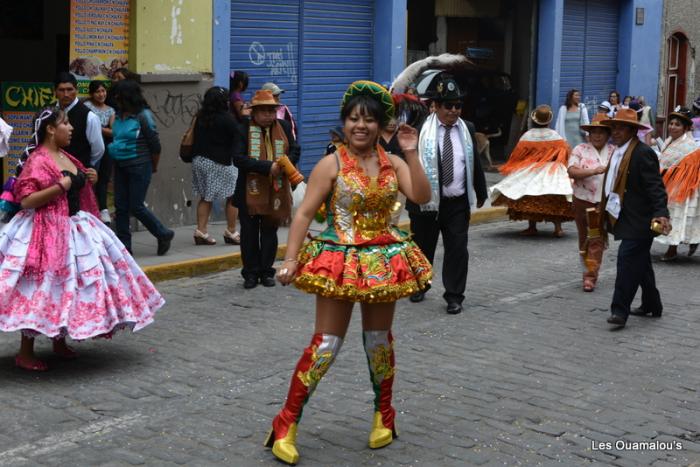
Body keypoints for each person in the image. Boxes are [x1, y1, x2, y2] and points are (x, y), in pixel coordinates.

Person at [266, 80, 432, 465]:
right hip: (339, 260)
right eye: (354, 119)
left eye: (369, 120)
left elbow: (422, 197)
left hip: (383, 260)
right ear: (345, 123)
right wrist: (290, 259)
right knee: (326, 344)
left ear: (380, 126)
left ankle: (384, 417)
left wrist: (412, 151)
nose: (361, 126)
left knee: (378, 342)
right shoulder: (332, 164)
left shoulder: (395, 163)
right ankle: (284, 424)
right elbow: (304, 213)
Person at [0, 107, 163, 371]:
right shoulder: (39, 159)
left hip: (75, 226)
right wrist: (60, 186)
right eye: (65, 123)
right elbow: (26, 199)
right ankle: (25, 351)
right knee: (38, 287)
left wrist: (89, 177)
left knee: (68, 288)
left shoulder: (65, 156)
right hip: (45, 230)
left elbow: (76, 186)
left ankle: (59, 340)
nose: (71, 127)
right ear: (51, 129)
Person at [406, 75, 487, 314]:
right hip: (426, 203)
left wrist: (481, 191)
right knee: (422, 247)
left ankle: (454, 296)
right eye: (448, 105)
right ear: (436, 106)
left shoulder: (467, 129)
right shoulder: (421, 130)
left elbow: (475, 164)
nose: (454, 110)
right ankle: (420, 285)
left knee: (457, 249)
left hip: (457, 203)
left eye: (458, 105)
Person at [601, 108, 671, 328]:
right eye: (614, 127)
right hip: (624, 216)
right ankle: (652, 304)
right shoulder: (617, 151)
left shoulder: (642, 153)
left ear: (632, 130)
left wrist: (661, 213)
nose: (616, 131)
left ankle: (619, 311)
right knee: (641, 264)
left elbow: (656, 188)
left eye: (621, 127)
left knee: (627, 262)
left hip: (641, 220)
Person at [232, 89, 300, 289]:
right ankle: (250, 273)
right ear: (254, 112)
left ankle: (266, 271)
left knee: (270, 232)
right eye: (264, 111)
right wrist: (266, 167)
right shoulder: (243, 128)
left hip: (276, 189)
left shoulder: (284, 127)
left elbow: (295, 149)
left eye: (271, 111)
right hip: (249, 190)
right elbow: (238, 158)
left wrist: (287, 165)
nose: (269, 115)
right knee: (249, 233)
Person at [109, 80, 174, 256]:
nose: (116, 100)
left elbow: (155, 145)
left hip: (139, 165)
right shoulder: (118, 115)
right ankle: (124, 247)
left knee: (136, 206)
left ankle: (163, 233)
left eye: (119, 97)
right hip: (120, 165)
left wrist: (153, 166)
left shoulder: (143, 116)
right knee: (121, 207)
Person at [490, 104, 574, 237]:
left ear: (535, 120)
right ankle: (558, 228)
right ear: (548, 121)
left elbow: (518, 156)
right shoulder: (555, 136)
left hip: (530, 169)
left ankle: (532, 227)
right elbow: (564, 154)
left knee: (529, 194)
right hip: (552, 169)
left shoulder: (527, 136)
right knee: (555, 197)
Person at [567, 113, 615, 292]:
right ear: (588, 134)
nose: (597, 135)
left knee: (596, 238)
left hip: (602, 203)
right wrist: (593, 171)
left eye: (601, 132)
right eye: (593, 132)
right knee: (584, 238)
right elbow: (572, 171)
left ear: (608, 134)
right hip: (582, 200)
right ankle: (587, 268)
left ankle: (590, 276)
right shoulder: (580, 149)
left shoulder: (613, 152)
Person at [190, 86, 241, 245]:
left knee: (206, 197)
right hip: (219, 162)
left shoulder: (200, 116)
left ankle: (201, 231)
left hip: (199, 161)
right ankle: (231, 232)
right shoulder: (227, 118)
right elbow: (238, 137)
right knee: (233, 196)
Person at [654, 108, 699, 260]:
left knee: (676, 215)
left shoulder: (689, 145)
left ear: (685, 128)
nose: (672, 127)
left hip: (683, 187)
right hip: (668, 183)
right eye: (671, 123)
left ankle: (672, 249)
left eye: (677, 125)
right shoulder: (669, 140)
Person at [54, 72, 104, 169]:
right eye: (61, 90)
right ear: (55, 92)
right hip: (51, 170)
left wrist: (86, 166)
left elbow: (98, 149)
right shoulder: (48, 112)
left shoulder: (89, 116)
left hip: (79, 172)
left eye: (69, 89)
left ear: (76, 90)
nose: (66, 94)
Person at [84, 80, 116, 225]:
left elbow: (113, 131)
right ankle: (88, 207)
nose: (101, 94)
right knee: (88, 177)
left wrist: (97, 127)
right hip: (89, 146)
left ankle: (103, 209)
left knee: (103, 177)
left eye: (103, 91)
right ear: (91, 94)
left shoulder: (110, 110)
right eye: (97, 91)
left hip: (107, 147)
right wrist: (102, 128)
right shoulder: (86, 107)